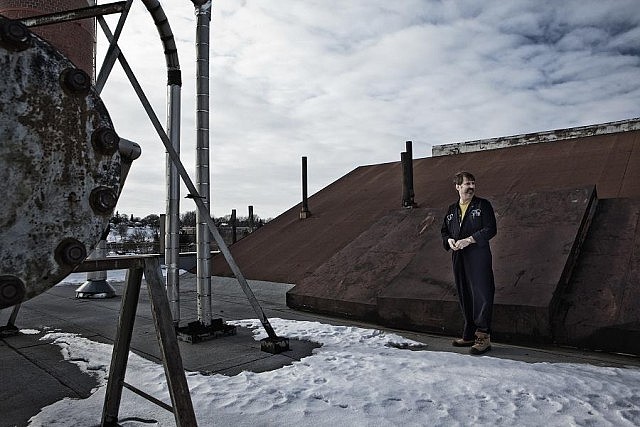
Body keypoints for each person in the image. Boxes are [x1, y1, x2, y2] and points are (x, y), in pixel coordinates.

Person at [441, 171, 497, 355]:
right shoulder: (451, 210)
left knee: (482, 292)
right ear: (457, 186)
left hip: (478, 255)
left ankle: (483, 336)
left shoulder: (483, 205)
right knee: (464, 292)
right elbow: (444, 231)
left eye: (473, 183)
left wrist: (470, 239)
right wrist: (449, 240)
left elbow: (491, 229)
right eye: (467, 184)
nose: (471, 187)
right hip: (458, 256)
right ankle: (470, 333)